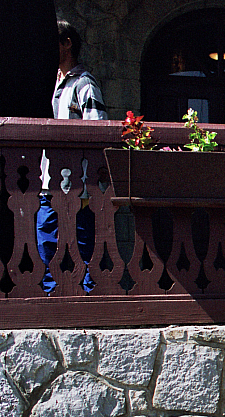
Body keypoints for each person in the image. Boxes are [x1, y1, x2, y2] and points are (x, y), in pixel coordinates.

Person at [37, 19, 106, 294]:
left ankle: (87, 297)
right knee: (46, 241)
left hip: (78, 185)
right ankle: (48, 295)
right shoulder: (50, 83)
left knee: (82, 244)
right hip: (47, 181)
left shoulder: (84, 84)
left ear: (67, 44)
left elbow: (97, 131)